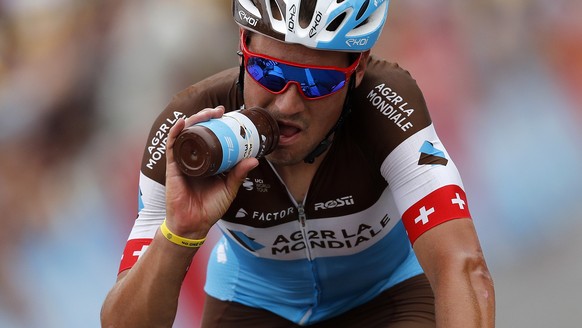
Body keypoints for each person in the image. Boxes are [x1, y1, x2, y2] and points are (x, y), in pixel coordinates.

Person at [101, 0, 495, 327]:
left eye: (317, 82)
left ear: (357, 69)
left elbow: (461, 266)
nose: (288, 104)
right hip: (253, 304)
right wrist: (179, 233)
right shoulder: (189, 128)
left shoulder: (387, 107)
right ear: (243, 46)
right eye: (267, 71)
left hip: (387, 294)